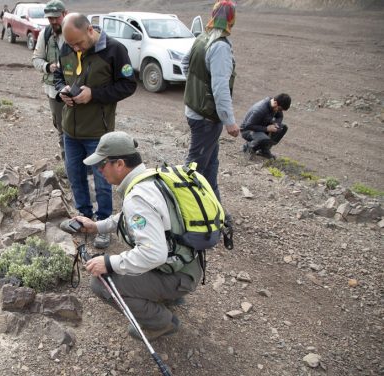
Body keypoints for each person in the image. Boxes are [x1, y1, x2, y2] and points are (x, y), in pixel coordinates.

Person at [69, 131, 203, 340]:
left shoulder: (138, 197)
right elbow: (128, 218)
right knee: (132, 258)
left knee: (101, 282)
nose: (99, 170)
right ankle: (166, 295)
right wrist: (96, 227)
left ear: (120, 164)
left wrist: (109, 263)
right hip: (188, 262)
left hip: (178, 274)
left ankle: (161, 323)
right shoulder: (151, 179)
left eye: (102, 165)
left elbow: (154, 254)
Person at [54, 13, 137, 249]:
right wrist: (62, 90)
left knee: (103, 180)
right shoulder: (67, 46)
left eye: (78, 43)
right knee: (75, 175)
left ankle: (102, 224)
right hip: (70, 128)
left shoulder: (114, 50)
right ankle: (82, 218)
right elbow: (58, 74)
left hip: (98, 132)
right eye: (71, 45)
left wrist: (94, 94)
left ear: (90, 30)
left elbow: (128, 85)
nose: (75, 48)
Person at [182, 0, 238, 204]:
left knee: (210, 165)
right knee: (194, 167)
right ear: (232, 19)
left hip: (194, 110)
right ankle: (182, 207)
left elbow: (185, 63)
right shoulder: (220, 46)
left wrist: (196, 89)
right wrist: (229, 121)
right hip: (206, 118)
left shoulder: (202, 37)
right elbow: (220, 88)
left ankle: (215, 209)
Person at [32, 0, 68, 157]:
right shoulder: (44, 34)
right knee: (62, 127)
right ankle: (68, 163)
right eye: (50, 18)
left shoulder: (74, 31)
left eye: (56, 17)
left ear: (64, 14)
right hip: (54, 90)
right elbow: (36, 59)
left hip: (77, 87)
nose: (53, 21)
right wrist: (48, 67)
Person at [240, 94, 291, 159]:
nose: (279, 111)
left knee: (282, 128)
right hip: (247, 130)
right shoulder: (260, 109)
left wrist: (276, 123)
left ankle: (264, 150)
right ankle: (248, 147)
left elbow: (280, 116)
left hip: (261, 126)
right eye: (280, 109)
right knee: (264, 139)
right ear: (275, 102)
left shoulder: (275, 105)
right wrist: (267, 129)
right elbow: (248, 125)